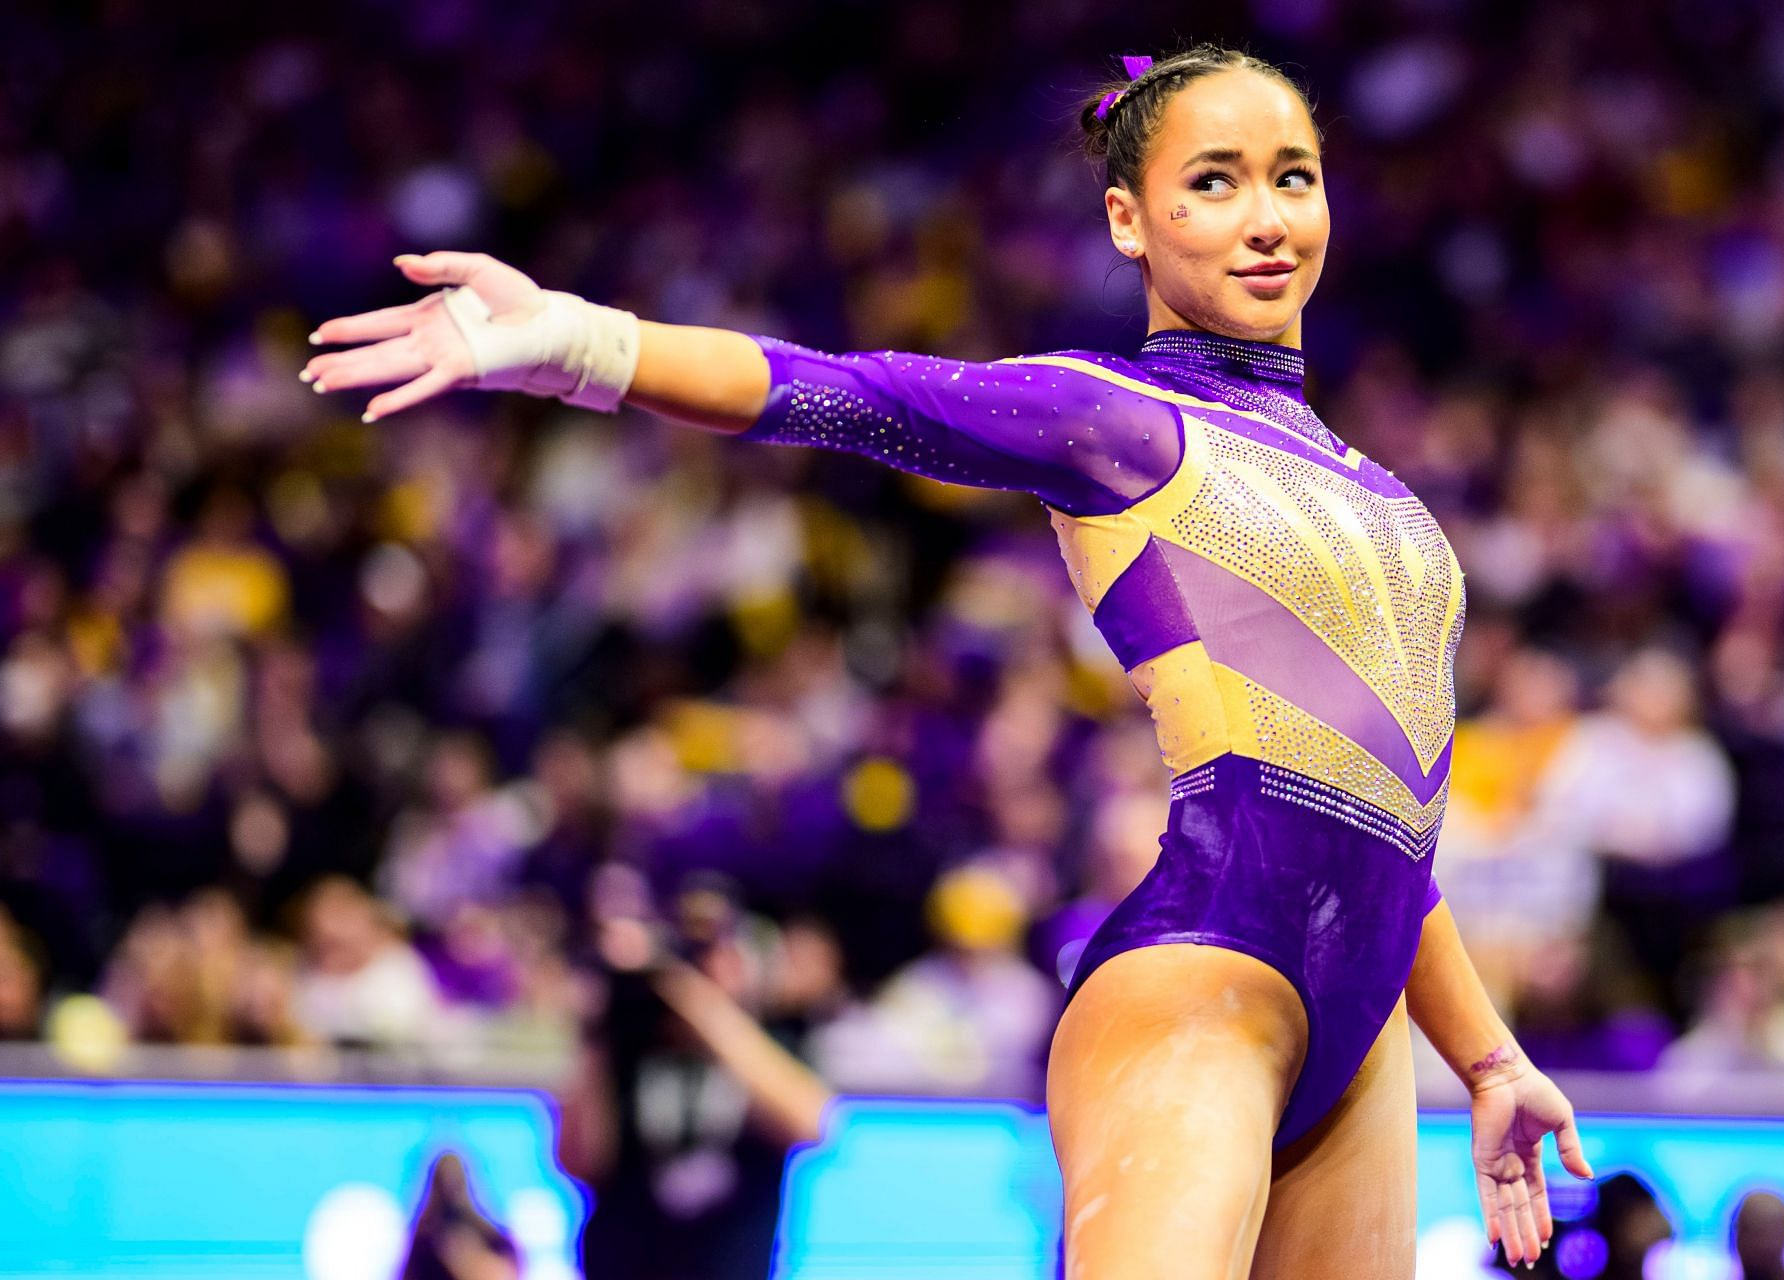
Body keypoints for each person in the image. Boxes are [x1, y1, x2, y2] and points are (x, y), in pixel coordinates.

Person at [304, 42, 1591, 1277]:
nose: (1266, 216)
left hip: (1366, 1038)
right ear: (1128, 222)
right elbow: (842, 390)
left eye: (1293, 175)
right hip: (1204, 977)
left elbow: (1391, 826)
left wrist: (1484, 1058)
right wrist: (581, 343)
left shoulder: (1396, 505)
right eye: (1214, 180)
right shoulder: (1113, 419)